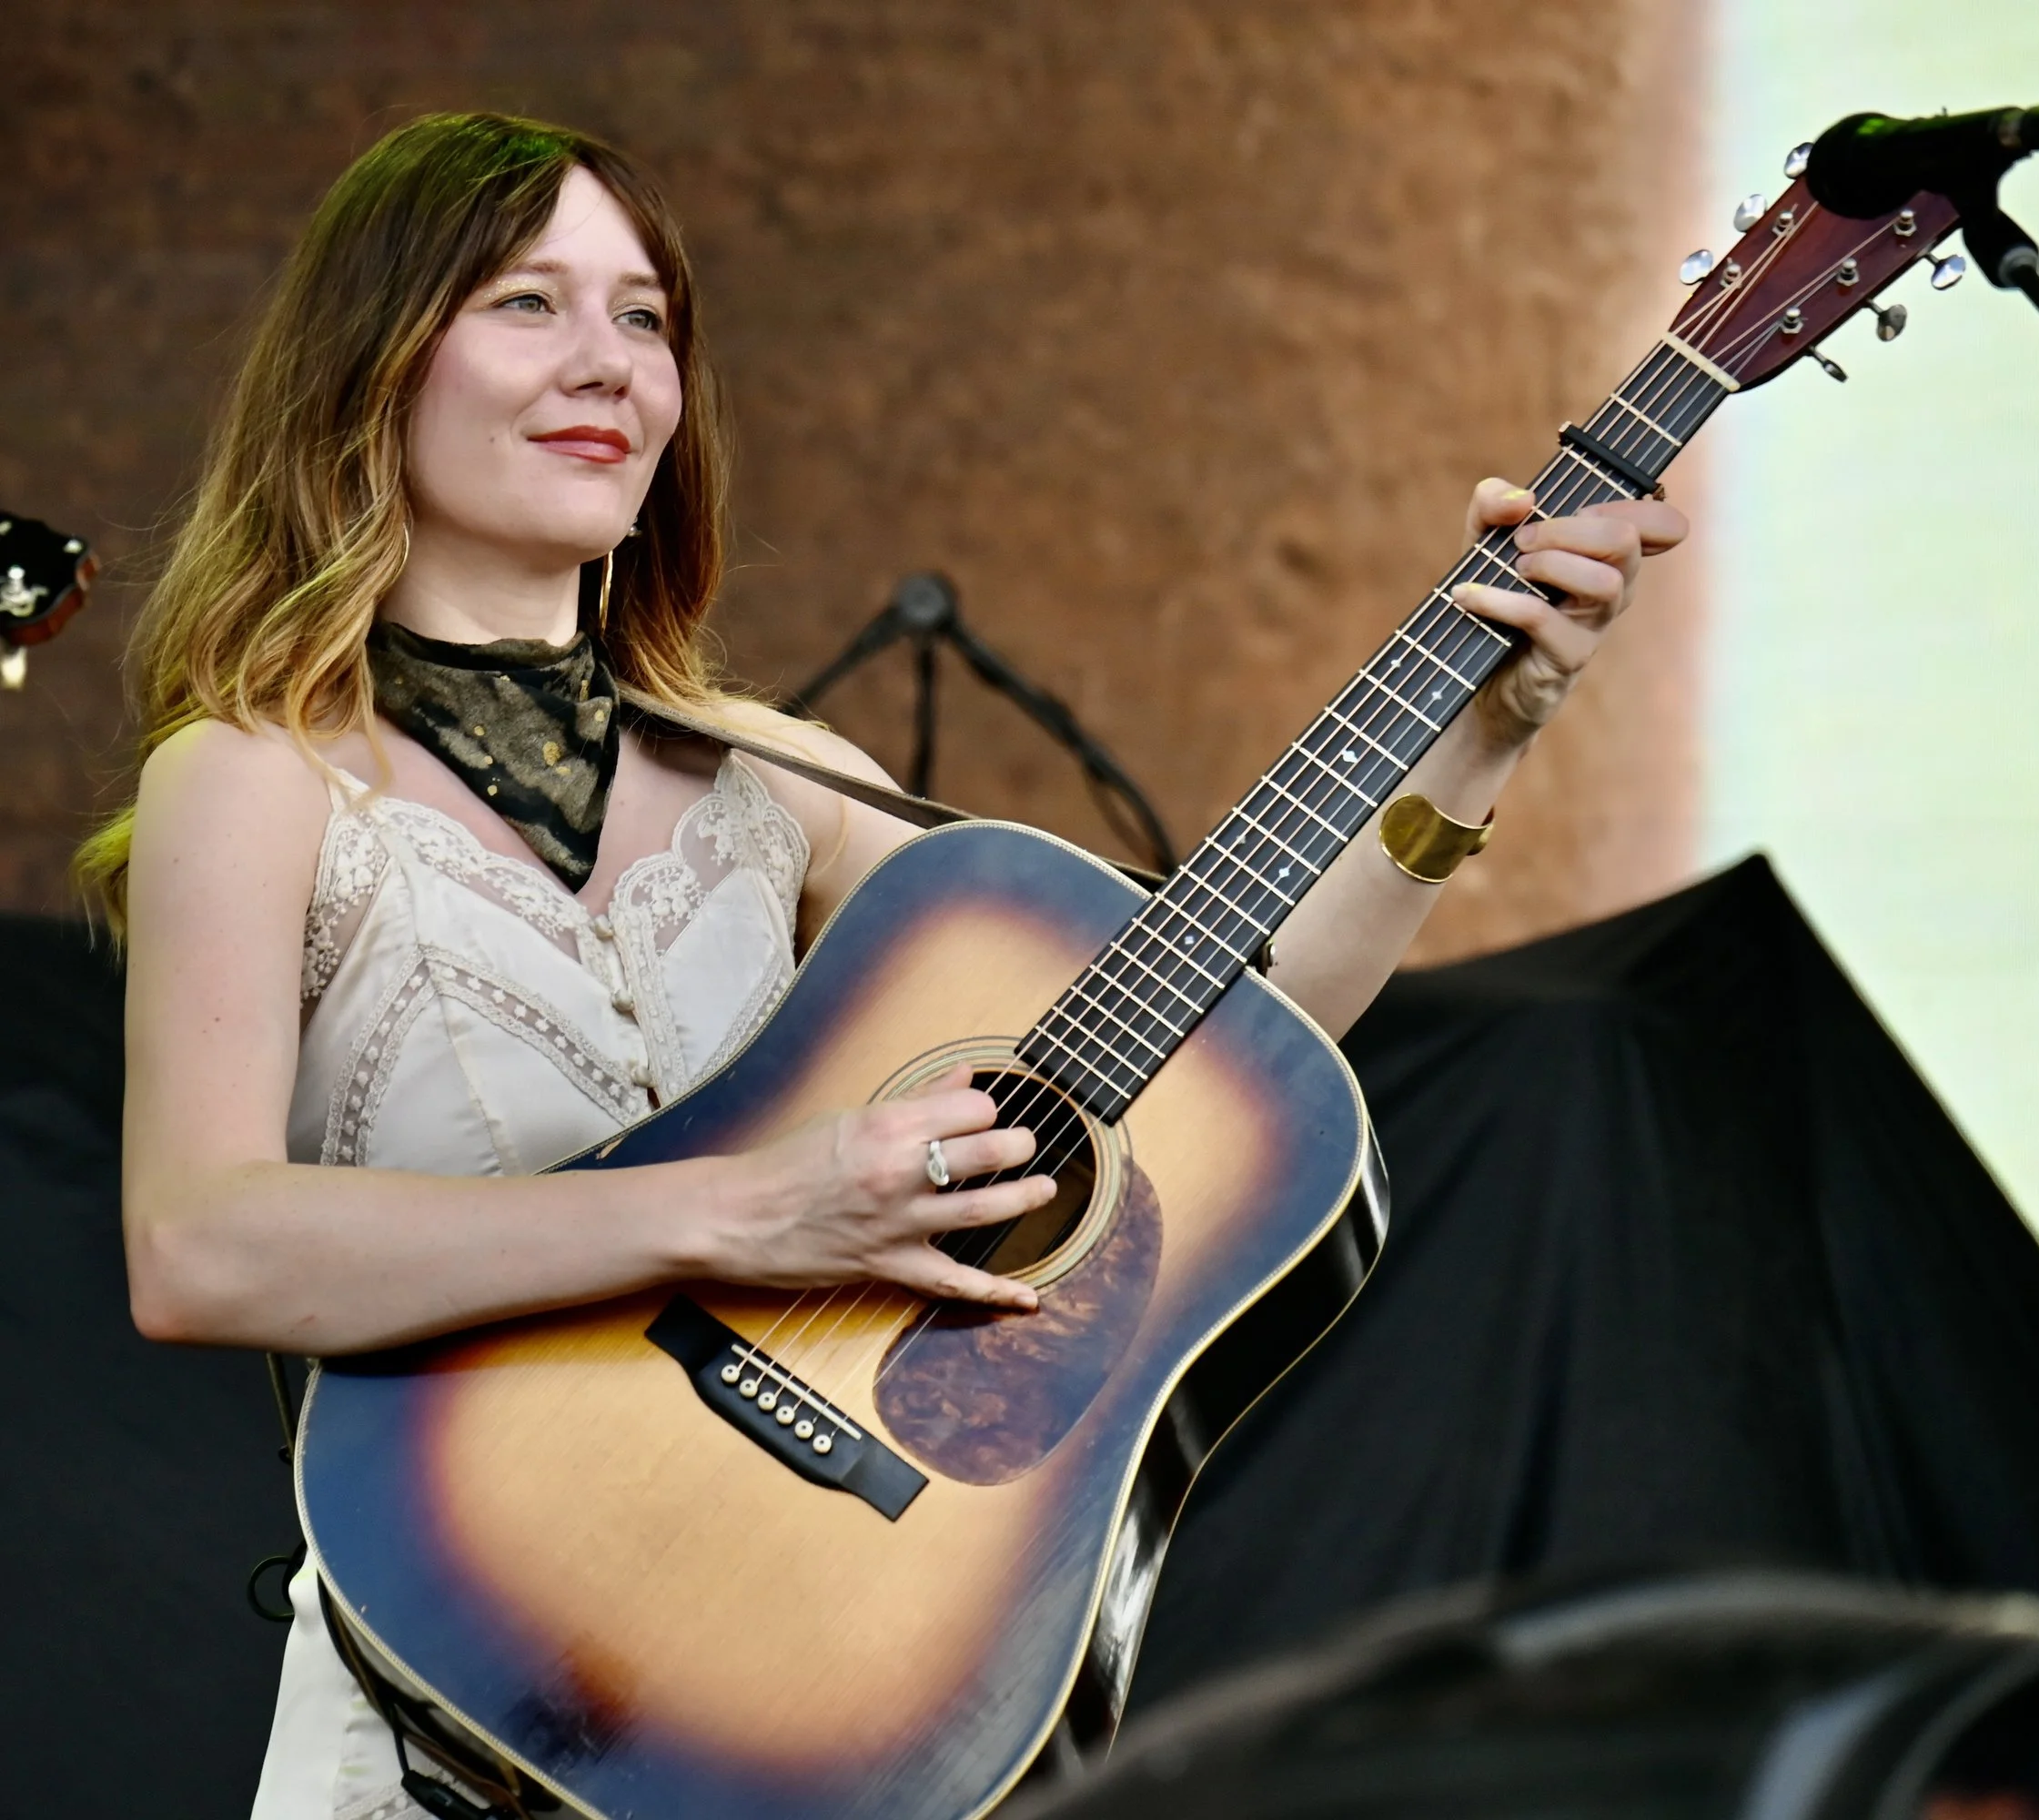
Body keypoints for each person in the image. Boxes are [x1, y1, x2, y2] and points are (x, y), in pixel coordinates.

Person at [86, 113, 1686, 1820]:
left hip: (798, 1698)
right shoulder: (252, 780)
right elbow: (201, 1248)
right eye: (526, 302)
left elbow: (1202, 1021)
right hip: (436, 1724)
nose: (608, 364)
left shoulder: (766, 771)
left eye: (647, 318)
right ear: (372, 364)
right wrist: (756, 1210)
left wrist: (1481, 744)